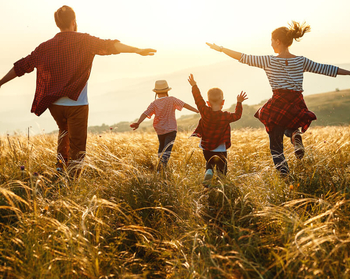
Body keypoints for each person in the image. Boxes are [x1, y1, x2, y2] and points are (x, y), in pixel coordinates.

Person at [0, 5, 156, 178]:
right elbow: (111, 46)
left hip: (54, 105)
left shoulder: (45, 47)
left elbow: (22, 66)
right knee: (78, 146)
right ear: (74, 22)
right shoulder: (85, 41)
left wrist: (0, 82)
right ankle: (72, 181)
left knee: (63, 133)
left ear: (58, 24)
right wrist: (137, 50)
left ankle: (60, 170)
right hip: (77, 105)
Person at [206, 21, 350, 176]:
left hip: (278, 103)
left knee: (276, 146)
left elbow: (243, 57)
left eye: (272, 40)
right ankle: (295, 135)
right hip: (296, 103)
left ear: (278, 41)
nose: (271, 44)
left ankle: (284, 174)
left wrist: (221, 49)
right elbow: (326, 69)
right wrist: (349, 73)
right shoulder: (301, 61)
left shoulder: (269, 61)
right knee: (292, 124)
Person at [187, 73, 248, 186]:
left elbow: (198, 99)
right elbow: (237, 115)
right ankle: (221, 183)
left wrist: (194, 85)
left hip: (206, 147)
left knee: (209, 163)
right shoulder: (226, 116)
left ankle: (209, 172)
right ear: (223, 102)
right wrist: (239, 102)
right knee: (222, 168)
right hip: (220, 148)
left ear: (208, 103)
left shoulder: (204, 111)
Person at [130, 79, 198, 170]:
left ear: (156, 92)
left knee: (161, 148)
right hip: (171, 129)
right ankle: (161, 169)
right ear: (167, 90)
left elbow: (145, 113)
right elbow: (185, 105)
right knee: (167, 150)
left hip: (160, 130)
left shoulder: (154, 103)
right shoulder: (172, 99)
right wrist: (197, 110)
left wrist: (138, 123)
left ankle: (159, 168)